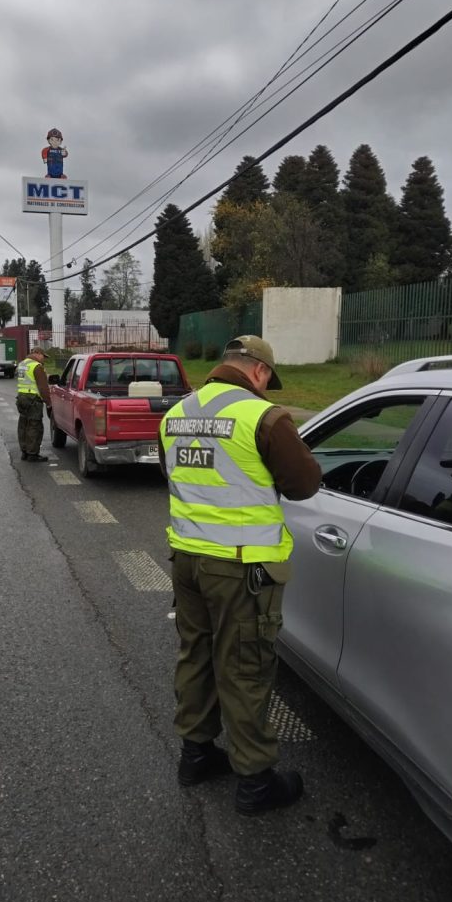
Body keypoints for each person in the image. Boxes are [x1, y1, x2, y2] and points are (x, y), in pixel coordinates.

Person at [158, 335, 321, 815]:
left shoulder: (176, 415)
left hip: (186, 559)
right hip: (241, 568)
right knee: (245, 665)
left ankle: (197, 755)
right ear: (261, 372)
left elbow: (177, 478)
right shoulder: (264, 417)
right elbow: (305, 484)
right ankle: (254, 780)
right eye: (269, 378)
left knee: (197, 655)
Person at [16, 347, 52, 462]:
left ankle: (24, 452)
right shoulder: (36, 366)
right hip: (33, 399)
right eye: (43, 356)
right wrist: (48, 402)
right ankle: (32, 454)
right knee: (34, 426)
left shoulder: (22, 364)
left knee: (23, 425)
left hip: (21, 398)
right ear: (37, 353)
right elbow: (43, 388)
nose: (44, 359)